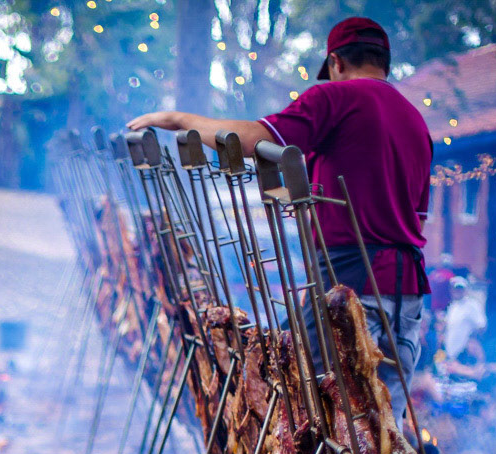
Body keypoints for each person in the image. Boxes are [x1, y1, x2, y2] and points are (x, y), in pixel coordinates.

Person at [127, 16, 430, 413]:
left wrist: (180, 120)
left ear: (336, 62)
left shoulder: (336, 97)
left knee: (321, 414)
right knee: (387, 427)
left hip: (351, 288)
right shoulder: (416, 121)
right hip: (407, 296)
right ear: (384, 63)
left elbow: (248, 140)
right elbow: (417, 219)